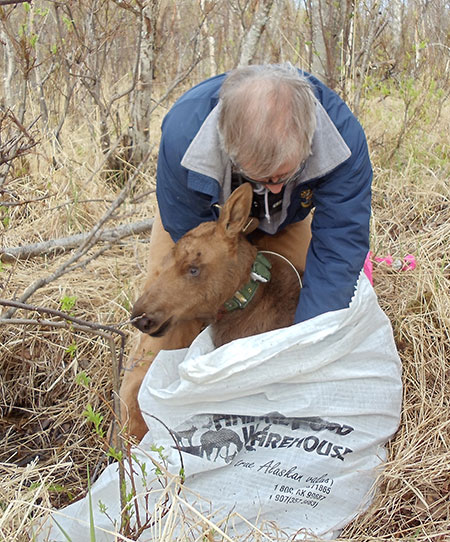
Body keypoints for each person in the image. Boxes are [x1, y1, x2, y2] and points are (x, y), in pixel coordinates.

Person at [120, 63, 373, 440]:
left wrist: (301, 347)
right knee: (166, 332)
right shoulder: (184, 133)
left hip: (289, 219)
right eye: (264, 178)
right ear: (228, 144)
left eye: (282, 176)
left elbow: (340, 246)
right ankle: (133, 447)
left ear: (308, 139)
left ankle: (279, 429)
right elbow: (192, 248)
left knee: (315, 310)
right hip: (205, 222)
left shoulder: (343, 139)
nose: (271, 189)